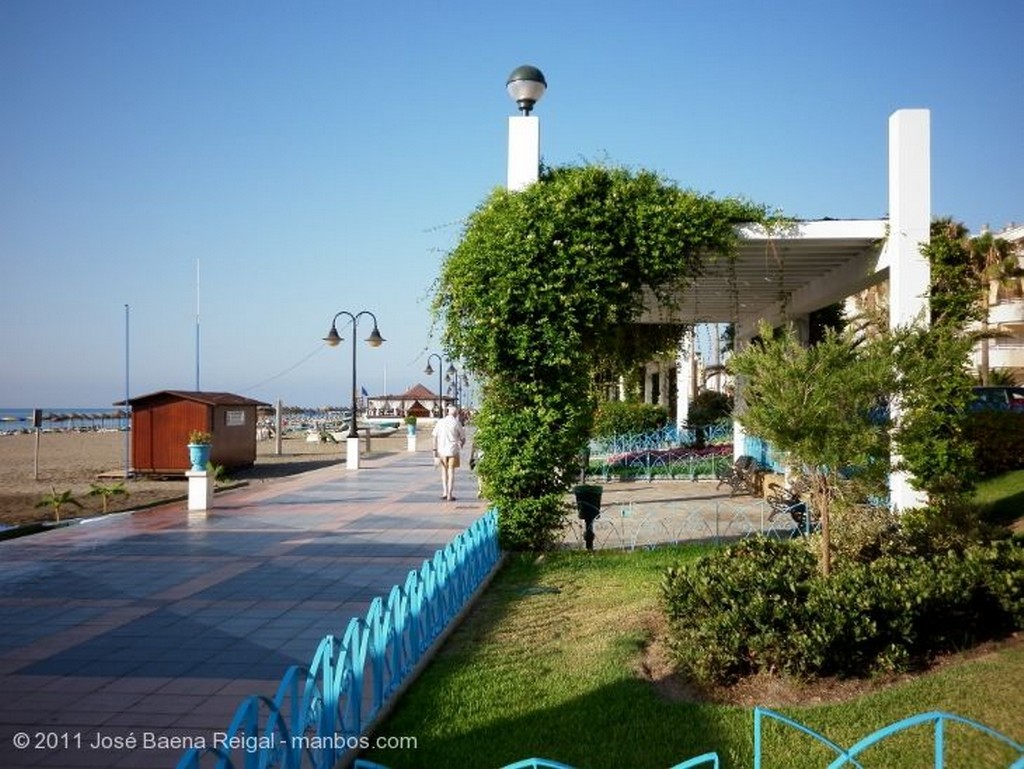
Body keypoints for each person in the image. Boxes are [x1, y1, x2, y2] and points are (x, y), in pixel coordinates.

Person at [432, 405, 466, 501]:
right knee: (451, 472)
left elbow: (434, 436)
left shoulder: (440, 422)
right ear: (455, 414)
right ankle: (450, 495)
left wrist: (434, 450)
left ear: (447, 412)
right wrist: (461, 444)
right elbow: (463, 437)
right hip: (453, 450)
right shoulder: (456, 423)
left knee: (444, 472)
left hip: (441, 451)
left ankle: (444, 492)